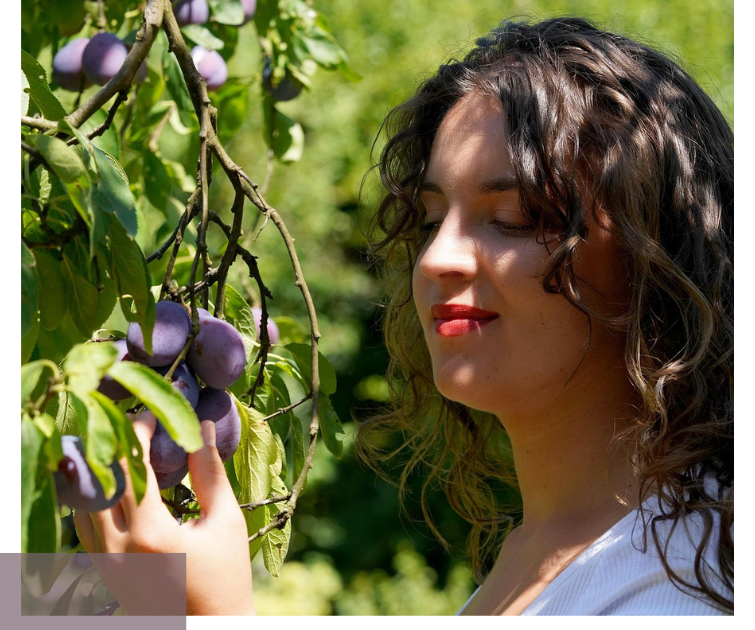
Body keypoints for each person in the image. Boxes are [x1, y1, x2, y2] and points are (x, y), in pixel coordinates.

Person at [74, 16, 733, 616]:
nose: (436, 258)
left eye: (512, 219)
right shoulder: (543, 550)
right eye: (428, 219)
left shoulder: (684, 589)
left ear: (655, 257)